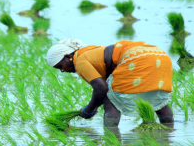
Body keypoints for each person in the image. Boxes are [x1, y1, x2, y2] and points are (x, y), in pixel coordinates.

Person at [46, 38, 174, 127]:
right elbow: (105, 87)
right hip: (158, 55)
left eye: (60, 66)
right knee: (154, 94)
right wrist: (93, 107)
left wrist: (89, 110)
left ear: (68, 57)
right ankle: (169, 130)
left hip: (136, 58)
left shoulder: (80, 60)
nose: (62, 70)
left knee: (110, 99)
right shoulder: (90, 51)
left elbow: (102, 89)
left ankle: (111, 136)